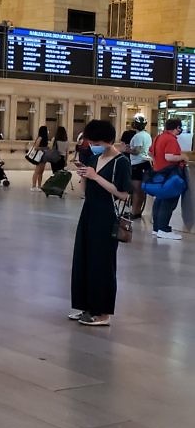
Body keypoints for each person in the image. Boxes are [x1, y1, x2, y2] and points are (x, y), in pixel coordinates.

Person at [69, 119, 132, 327]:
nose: (92, 145)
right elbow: (85, 192)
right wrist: (85, 176)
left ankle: (103, 313)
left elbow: (123, 194)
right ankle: (87, 306)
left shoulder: (121, 162)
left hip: (107, 216)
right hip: (89, 213)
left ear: (107, 141)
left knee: (102, 263)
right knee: (84, 259)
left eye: (95, 141)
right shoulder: (95, 158)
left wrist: (96, 177)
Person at [150, 117, 187, 240]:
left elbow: (151, 152)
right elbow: (169, 157)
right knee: (168, 202)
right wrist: (183, 157)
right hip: (170, 174)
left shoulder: (159, 137)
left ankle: (156, 228)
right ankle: (163, 229)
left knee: (159, 200)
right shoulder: (171, 139)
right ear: (177, 127)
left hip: (159, 173)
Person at [127, 115, 151, 218]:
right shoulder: (147, 135)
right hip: (145, 163)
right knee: (140, 190)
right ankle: (137, 211)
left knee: (136, 190)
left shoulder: (138, 136)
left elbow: (137, 151)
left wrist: (126, 149)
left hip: (137, 164)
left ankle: (134, 212)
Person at [30, 125, 50, 191]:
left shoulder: (45, 139)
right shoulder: (40, 138)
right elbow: (36, 147)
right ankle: (33, 186)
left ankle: (39, 186)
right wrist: (44, 148)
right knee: (37, 171)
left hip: (44, 156)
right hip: (39, 156)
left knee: (41, 172)